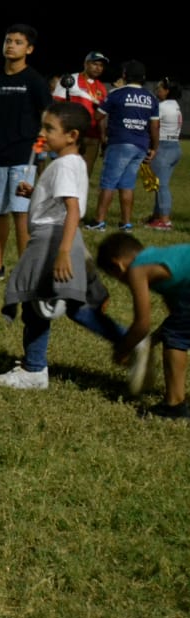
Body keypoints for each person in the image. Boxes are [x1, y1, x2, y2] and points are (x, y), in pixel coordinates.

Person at [0, 102, 124, 388]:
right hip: (59, 235)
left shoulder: (64, 165)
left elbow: (73, 211)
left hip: (53, 240)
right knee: (74, 307)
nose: (42, 132)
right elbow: (61, 205)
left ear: (72, 135)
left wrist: (63, 252)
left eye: (49, 128)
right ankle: (128, 340)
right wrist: (36, 193)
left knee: (36, 303)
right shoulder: (72, 163)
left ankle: (34, 370)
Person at [0, 25, 47, 281]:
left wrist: (38, 152)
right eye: (8, 40)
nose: (11, 45)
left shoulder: (35, 81)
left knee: (20, 212)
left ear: (29, 49)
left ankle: (26, 270)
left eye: (17, 42)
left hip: (23, 157)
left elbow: (45, 120)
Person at [98, 232, 190, 420]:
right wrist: (153, 341)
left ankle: (174, 404)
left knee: (176, 337)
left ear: (118, 265)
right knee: (175, 329)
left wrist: (122, 351)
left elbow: (142, 324)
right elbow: (176, 316)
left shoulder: (137, 269)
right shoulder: (160, 261)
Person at [90, 60, 160, 231]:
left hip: (120, 142)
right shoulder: (151, 98)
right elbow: (155, 126)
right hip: (140, 145)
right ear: (143, 77)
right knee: (127, 184)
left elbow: (98, 116)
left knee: (108, 183)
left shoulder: (117, 94)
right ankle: (126, 223)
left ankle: (99, 222)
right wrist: (154, 148)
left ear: (124, 75)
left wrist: (95, 105)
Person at [66, 51, 109, 174]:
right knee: (68, 171)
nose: (98, 68)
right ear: (86, 64)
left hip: (93, 137)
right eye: (95, 64)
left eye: (101, 65)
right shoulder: (72, 79)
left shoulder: (101, 87)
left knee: (85, 173)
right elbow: (58, 105)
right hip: (73, 135)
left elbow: (102, 115)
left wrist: (102, 137)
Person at [146, 78, 181, 230]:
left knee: (162, 186)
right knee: (160, 184)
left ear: (167, 91)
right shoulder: (175, 105)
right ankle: (157, 217)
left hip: (164, 147)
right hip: (175, 146)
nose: (157, 91)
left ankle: (165, 221)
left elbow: (153, 126)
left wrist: (153, 146)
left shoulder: (162, 106)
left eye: (160, 88)